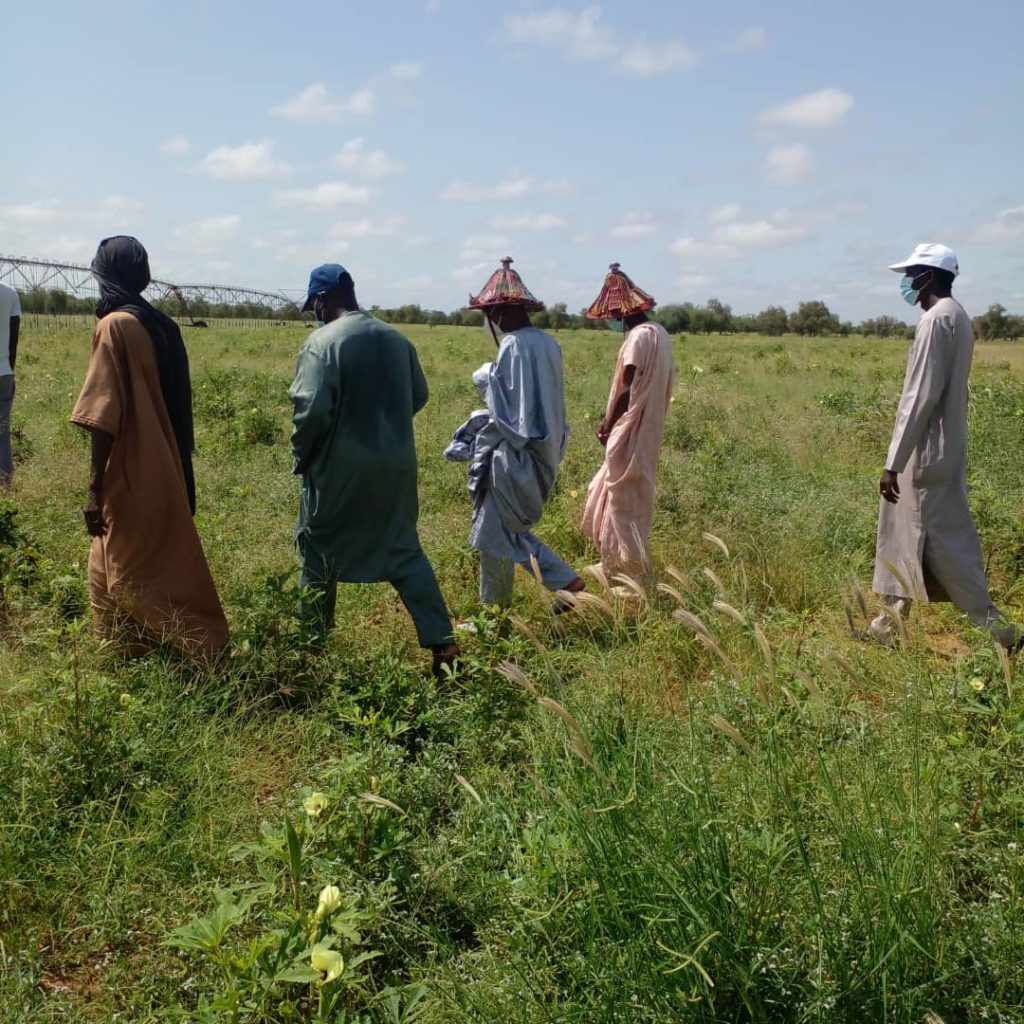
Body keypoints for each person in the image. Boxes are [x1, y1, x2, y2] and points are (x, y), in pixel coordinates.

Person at [289, 263, 458, 677]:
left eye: (314, 304)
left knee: (319, 551)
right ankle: (445, 646)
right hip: (396, 465)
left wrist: (302, 453)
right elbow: (418, 395)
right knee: (402, 548)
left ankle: (310, 651)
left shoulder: (321, 342)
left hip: (339, 467)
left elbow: (311, 412)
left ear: (321, 300)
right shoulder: (397, 340)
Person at [70, 236, 229, 659]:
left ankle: (201, 647)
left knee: (131, 567)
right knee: (128, 560)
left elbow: (104, 413)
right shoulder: (163, 325)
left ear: (105, 276)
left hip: (131, 467)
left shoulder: (115, 326)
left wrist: (94, 488)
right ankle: (125, 650)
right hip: (169, 464)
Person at [871, 243, 1020, 651]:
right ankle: (885, 628)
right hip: (941, 451)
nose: (907, 282)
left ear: (931, 277)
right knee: (906, 541)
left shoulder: (936, 321)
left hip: (924, 455)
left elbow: (919, 397)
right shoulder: (958, 317)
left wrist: (892, 464)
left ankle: (1000, 631)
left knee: (947, 548)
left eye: (913, 273)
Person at [464, 258, 584, 607]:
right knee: (497, 531)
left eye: (489, 313)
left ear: (499, 311)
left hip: (515, 454)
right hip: (545, 452)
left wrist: (485, 377)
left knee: (497, 532)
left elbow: (511, 417)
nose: (490, 322)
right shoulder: (548, 343)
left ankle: (559, 585)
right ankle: (510, 605)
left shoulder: (513, 345)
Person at [581, 263, 675, 581]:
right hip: (648, 430)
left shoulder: (638, 337)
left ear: (621, 313)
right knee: (627, 493)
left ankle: (626, 570)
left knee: (621, 500)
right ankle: (613, 562)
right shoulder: (660, 334)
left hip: (630, 430)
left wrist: (607, 423)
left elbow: (626, 385)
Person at [0, 281, 21, 489]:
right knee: (2, 433)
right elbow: (13, 340)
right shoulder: (10, 293)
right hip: (3, 372)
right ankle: (5, 486)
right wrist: (9, 369)